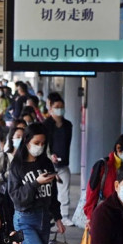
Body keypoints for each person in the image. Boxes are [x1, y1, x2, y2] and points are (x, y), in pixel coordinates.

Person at [83, 133, 123, 222]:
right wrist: (90, 216)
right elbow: (92, 192)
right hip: (105, 212)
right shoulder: (103, 165)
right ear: (118, 148)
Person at [43, 92, 74, 227]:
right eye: (56, 106)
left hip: (63, 163)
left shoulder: (68, 125)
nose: (59, 109)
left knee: (64, 190)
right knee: (49, 191)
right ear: (50, 108)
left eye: (61, 106)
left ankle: (64, 215)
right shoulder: (46, 125)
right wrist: (50, 156)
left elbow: (67, 143)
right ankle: (49, 215)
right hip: (48, 163)